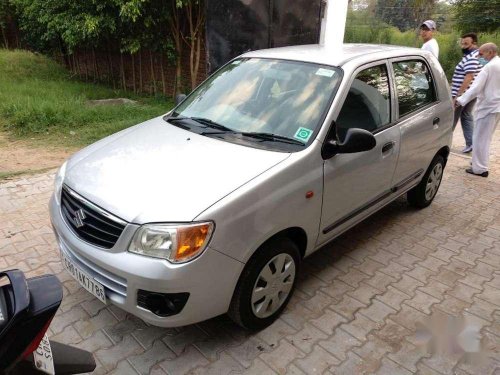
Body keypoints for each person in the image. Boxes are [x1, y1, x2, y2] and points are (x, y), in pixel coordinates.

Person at [456, 43, 500, 177]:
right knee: (485, 137)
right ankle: (478, 163)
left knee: (480, 138)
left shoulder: (489, 67)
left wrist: (460, 100)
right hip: (496, 107)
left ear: (491, 52)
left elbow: (475, 88)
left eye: (481, 54)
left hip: (488, 107)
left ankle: (480, 168)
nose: (479, 56)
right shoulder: (498, 64)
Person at [451, 33, 482, 153]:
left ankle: (443, 142)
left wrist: (458, 96)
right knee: (466, 116)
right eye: (462, 43)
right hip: (470, 93)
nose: (463, 45)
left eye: (466, 43)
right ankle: (471, 144)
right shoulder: (475, 55)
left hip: (463, 94)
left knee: (451, 118)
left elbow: (469, 77)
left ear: (474, 43)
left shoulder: (472, 57)